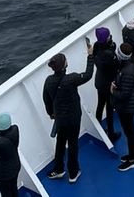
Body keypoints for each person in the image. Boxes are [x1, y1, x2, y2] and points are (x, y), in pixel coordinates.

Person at [43, 44, 95, 182]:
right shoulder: (71, 79)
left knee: (60, 143)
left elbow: (46, 100)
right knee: (73, 144)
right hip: (73, 118)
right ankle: (73, 173)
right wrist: (90, 56)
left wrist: (51, 114)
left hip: (60, 119)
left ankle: (58, 169)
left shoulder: (48, 81)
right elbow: (88, 74)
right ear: (64, 65)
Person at [111, 38, 134, 171]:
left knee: (129, 131)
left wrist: (113, 90)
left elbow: (125, 94)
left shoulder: (128, 71)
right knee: (129, 131)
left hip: (127, 107)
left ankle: (133, 158)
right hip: (126, 106)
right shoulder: (127, 66)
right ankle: (132, 154)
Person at [91, 26, 119, 140]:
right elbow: (116, 65)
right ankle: (111, 133)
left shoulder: (96, 47)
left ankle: (99, 128)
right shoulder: (109, 54)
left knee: (100, 104)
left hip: (99, 81)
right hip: (108, 83)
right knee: (109, 108)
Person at [0, 114, 21, 197]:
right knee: (14, 187)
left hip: (5, 173)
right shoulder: (15, 129)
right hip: (16, 165)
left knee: (5, 192)